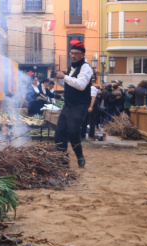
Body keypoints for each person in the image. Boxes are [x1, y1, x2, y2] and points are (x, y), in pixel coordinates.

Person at [53, 40, 93, 168]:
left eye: (76, 53)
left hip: (80, 105)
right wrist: (56, 78)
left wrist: (64, 76)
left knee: (73, 131)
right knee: (59, 131)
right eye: (71, 53)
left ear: (82, 55)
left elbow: (81, 85)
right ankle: (62, 159)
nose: (73, 56)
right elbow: (67, 84)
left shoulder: (86, 68)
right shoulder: (70, 68)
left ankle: (80, 156)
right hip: (68, 105)